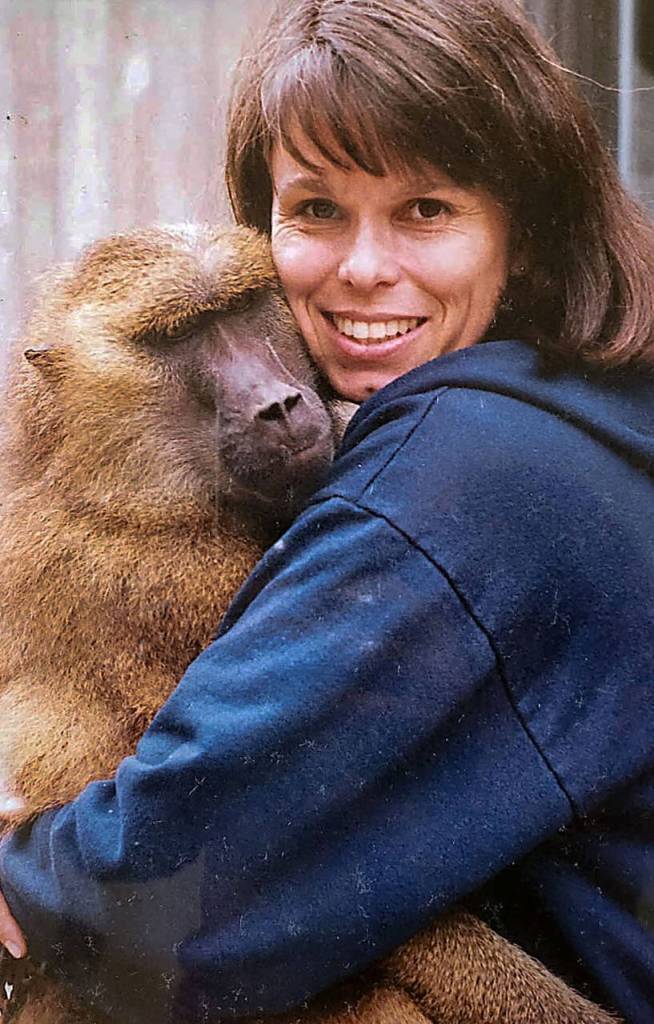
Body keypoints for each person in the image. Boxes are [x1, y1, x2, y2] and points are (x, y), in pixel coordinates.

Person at [1, 0, 654, 1020]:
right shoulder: (587, 397)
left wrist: (23, 874)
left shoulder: (457, 472)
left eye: (427, 210)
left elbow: (174, 888)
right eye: (314, 211)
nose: (361, 269)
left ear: (525, 233)